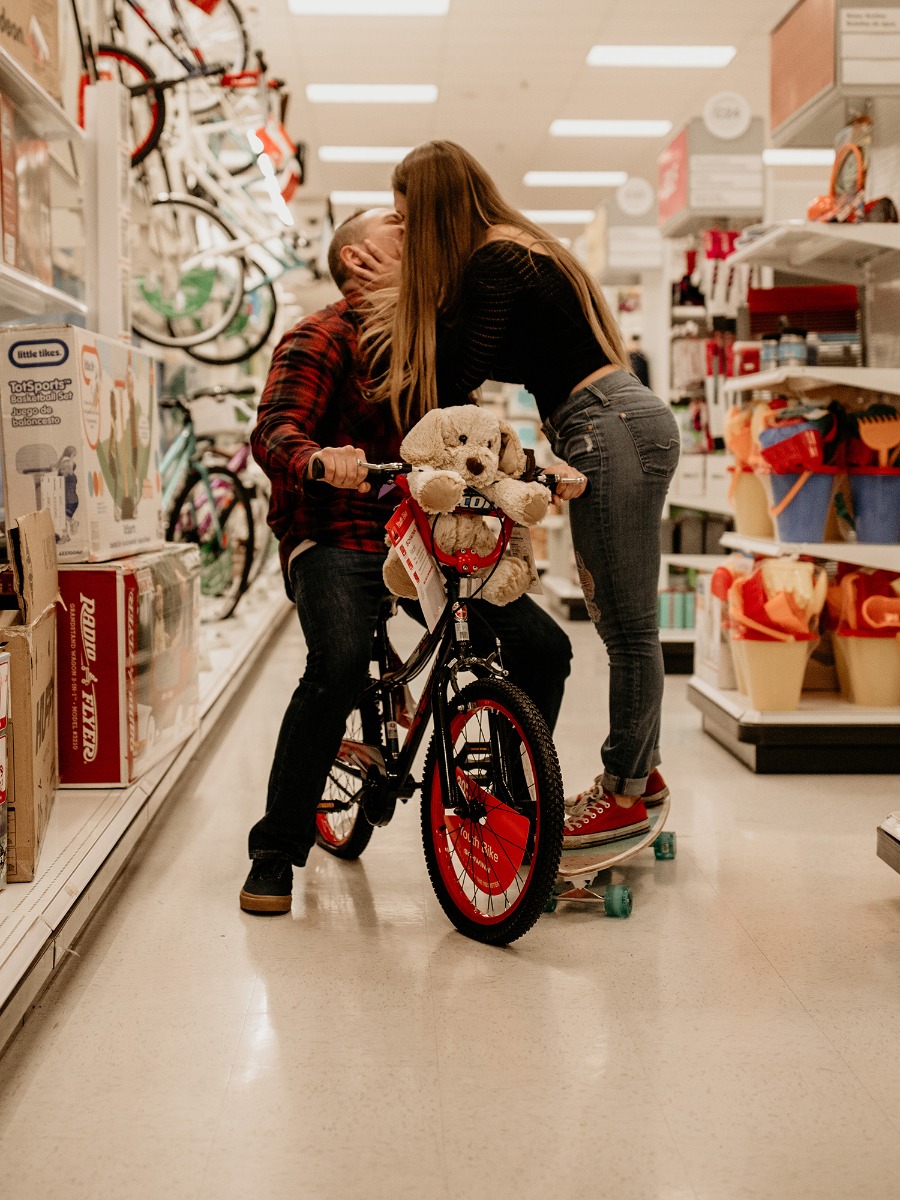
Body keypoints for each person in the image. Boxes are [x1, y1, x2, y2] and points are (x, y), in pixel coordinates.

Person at [239, 206, 573, 914]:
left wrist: (536, 472)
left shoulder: (431, 348)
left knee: (543, 648)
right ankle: (276, 849)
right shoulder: (321, 335)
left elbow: (476, 440)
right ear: (359, 261)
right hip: (335, 529)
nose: (422, 243)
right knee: (334, 667)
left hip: (426, 533)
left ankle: (514, 801)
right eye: (400, 233)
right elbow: (273, 431)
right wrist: (319, 458)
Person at [354, 141, 680, 849]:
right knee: (624, 619)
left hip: (607, 423)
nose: (405, 237)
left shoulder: (496, 260)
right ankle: (641, 774)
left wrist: (403, 291)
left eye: (409, 221)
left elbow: (463, 365)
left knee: (625, 627)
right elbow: (483, 363)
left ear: (435, 207)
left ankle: (625, 791)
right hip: (612, 419)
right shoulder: (516, 248)